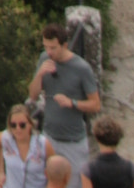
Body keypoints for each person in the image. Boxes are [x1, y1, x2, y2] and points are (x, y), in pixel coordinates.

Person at [35, 25, 102, 170]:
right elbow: (33, 95)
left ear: (64, 45)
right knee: (48, 187)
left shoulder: (81, 68)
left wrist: (71, 103)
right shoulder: (44, 59)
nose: (49, 52)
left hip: (73, 141)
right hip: (49, 137)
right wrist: (39, 75)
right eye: (46, 47)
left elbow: (95, 105)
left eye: (53, 48)